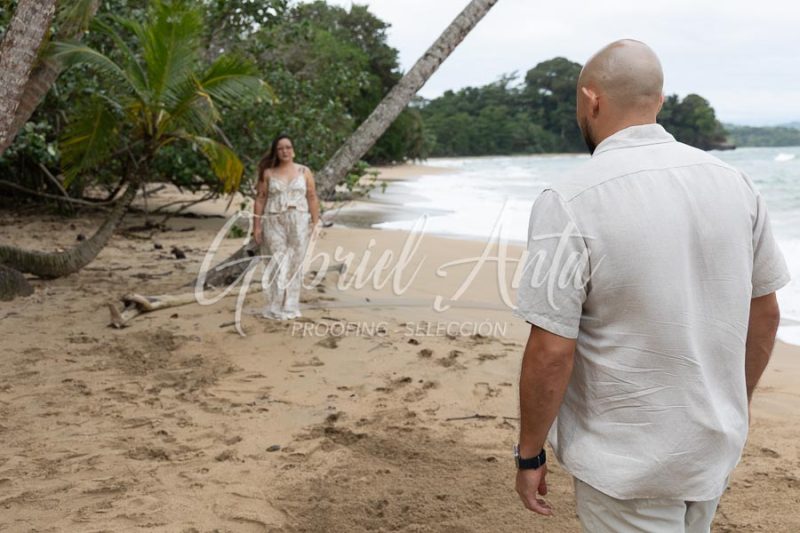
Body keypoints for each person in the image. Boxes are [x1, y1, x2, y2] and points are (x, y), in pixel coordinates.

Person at [512, 39, 790, 532]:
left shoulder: (570, 199)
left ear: (590, 100)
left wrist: (529, 453)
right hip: (711, 446)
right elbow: (764, 311)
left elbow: (552, 347)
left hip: (625, 460)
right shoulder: (736, 184)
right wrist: (731, 402)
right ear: (658, 101)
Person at [253, 135, 321, 320]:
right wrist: (256, 226)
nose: (285, 151)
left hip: (299, 221)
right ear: (276, 151)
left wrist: (316, 223)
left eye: (288, 147)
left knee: (295, 263)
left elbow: (312, 196)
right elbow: (260, 198)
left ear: (293, 150)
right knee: (278, 262)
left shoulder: (304, 171)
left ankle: (290, 306)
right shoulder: (267, 173)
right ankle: (275, 306)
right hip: (274, 221)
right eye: (281, 148)